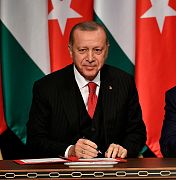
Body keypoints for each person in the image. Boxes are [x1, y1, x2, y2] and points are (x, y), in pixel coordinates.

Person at [27, 21, 146, 159]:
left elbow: (137, 133)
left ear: (106, 50)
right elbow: (34, 140)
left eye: (97, 50)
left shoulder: (124, 82)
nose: (90, 58)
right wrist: (70, 150)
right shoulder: (47, 87)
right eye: (82, 50)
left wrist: (124, 148)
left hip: (112, 173)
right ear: (70, 50)